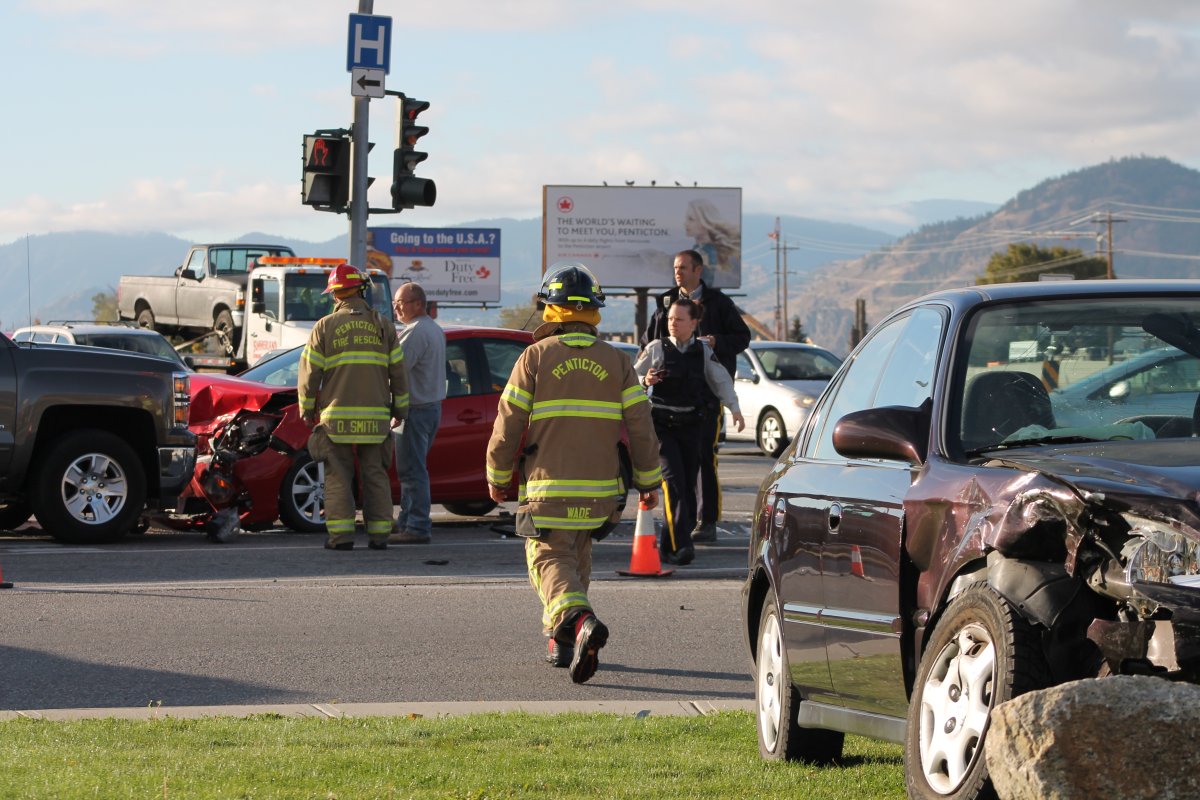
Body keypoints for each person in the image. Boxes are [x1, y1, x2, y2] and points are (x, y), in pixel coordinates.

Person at [486, 262, 662, 684]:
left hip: (548, 491)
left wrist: (496, 476)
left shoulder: (535, 357)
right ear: (593, 310)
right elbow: (641, 425)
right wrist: (649, 482)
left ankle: (580, 621)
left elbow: (507, 423)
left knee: (547, 559)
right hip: (602, 496)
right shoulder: (617, 362)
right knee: (576, 560)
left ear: (550, 307)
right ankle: (562, 645)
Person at [641, 249, 751, 544]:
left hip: (705, 399)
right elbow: (648, 343)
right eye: (675, 267)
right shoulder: (665, 302)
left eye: (683, 267)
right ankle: (678, 524)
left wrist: (717, 341)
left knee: (704, 458)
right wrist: (648, 375)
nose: (678, 272)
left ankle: (707, 520)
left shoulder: (719, 302)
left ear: (698, 270)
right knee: (675, 469)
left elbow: (743, 337)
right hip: (667, 404)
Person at [298, 264, 409, 551]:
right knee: (376, 476)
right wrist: (400, 409)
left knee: (337, 477)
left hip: (337, 422)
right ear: (361, 289)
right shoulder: (383, 325)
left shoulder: (324, 327)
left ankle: (341, 537)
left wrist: (306, 409)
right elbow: (398, 371)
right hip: (376, 420)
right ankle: (380, 535)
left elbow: (310, 375)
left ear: (335, 294)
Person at [390, 282, 446, 545]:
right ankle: (407, 522)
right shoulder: (433, 329)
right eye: (395, 302)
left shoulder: (416, 333)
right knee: (414, 469)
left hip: (415, 410)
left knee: (412, 471)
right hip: (430, 408)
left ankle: (417, 526)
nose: (396, 307)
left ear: (418, 304)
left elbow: (397, 370)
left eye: (401, 302)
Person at [684, 199, 741, 286]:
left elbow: (708, 282)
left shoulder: (707, 252)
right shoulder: (700, 249)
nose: (685, 223)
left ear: (704, 221)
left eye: (691, 219)